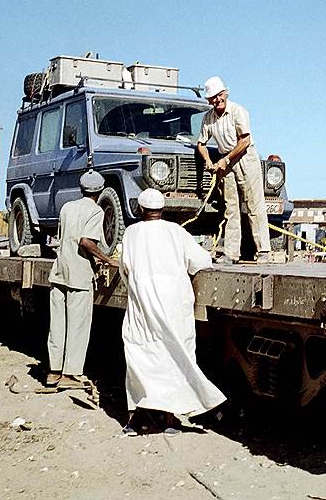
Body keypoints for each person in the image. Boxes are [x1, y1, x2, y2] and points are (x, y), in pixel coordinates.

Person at [119, 188, 226, 435]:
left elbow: (125, 269)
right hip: (175, 306)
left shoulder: (131, 233)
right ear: (162, 209)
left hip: (143, 307)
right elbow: (200, 261)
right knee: (176, 357)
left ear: (141, 209)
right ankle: (170, 420)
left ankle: (136, 421)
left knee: (140, 358)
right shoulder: (177, 232)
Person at [45, 170, 118, 389]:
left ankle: (53, 372)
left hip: (59, 272)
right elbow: (86, 241)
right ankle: (70, 375)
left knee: (57, 325)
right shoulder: (95, 211)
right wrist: (107, 260)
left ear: (81, 188)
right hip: (78, 276)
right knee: (77, 327)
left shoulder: (68, 207)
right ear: (100, 190)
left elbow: (66, 238)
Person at [197, 76, 271, 264]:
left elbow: (244, 140)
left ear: (225, 93)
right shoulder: (208, 118)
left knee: (254, 205)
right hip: (226, 162)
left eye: (219, 95)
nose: (217, 100)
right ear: (209, 100)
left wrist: (226, 159)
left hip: (245, 159)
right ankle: (231, 253)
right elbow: (201, 144)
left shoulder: (238, 111)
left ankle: (263, 250)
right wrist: (208, 160)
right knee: (230, 208)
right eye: (213, 97)